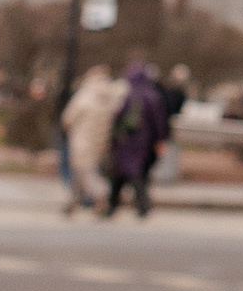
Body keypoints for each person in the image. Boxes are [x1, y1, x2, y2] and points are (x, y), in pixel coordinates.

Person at [104, 56, 170, 218]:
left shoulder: (128, 95)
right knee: (131, 172)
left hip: (127, 140)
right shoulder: (152, 96)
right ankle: (127, 205)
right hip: (144, 141)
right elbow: (159, 121)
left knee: (127, 172)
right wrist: (160, 139)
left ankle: (127, 205)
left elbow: (117, 117)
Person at [60, 60, 125, 218]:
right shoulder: (110, 97)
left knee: (86, 171)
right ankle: (74, 201)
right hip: (101, 140)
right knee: (83, 171)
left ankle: (100, 197)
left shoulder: (86, 95)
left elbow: (68, 118)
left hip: (82, 138)